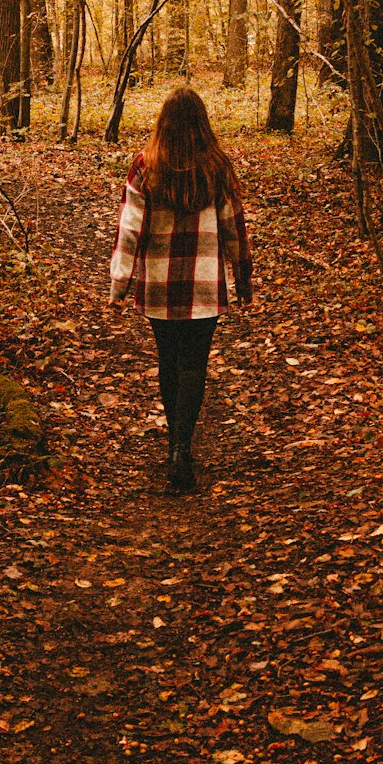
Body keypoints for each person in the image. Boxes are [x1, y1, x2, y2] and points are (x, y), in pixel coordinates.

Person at [109, 86, 252, 494]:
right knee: (194, 365)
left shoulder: (144, 166)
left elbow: (129, 229)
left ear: (163, 124)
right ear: (202, 123)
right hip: (205, 286)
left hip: (160, 285)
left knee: (168, 363)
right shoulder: (217, 167)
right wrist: (242, 281)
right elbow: (233, 227)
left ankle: (175, 446)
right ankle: (181, 449)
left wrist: (119, 285)